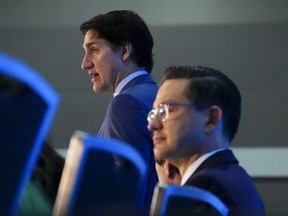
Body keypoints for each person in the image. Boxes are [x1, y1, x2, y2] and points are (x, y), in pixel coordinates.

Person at [147, 66, 265, 215]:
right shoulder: (237, 179)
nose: (152, 125)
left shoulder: (206, 189)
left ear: (211, 119)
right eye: (154, 113)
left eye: (167, 110)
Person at [80, 10, 158, 213]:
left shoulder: (126, 104)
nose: (85, 63)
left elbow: (123, 197)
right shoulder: (155, 96)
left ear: (124, 51)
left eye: (94, 50)